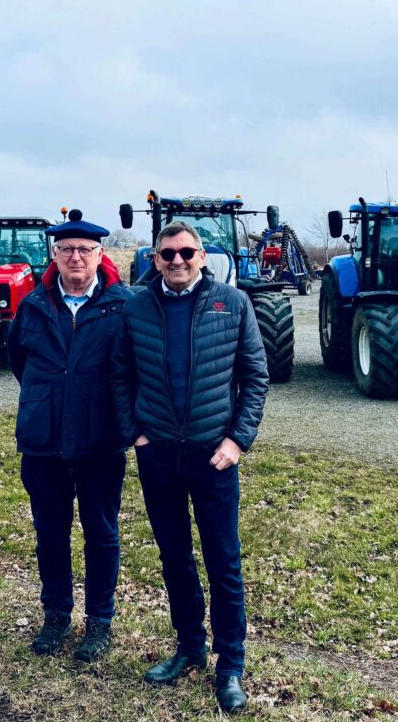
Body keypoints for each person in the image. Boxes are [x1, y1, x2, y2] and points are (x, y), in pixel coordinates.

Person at [111, 221, 269, 714]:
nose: (177, 260)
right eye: (167, 254)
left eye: (185, 252)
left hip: (213, 459)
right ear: (155, 259)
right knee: (175, 557)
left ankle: (230, 666)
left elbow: (255, 377)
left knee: (224, 563)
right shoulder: (136, 307)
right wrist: (135, 434)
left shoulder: (233, 304)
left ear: (201, 256)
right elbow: (120, 375)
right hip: (159, 456)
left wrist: (238, 441)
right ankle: (189, 648)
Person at [6, 209, 131, 662]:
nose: (76, 257)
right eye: (66, 250)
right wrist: (51, 398)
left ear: (99, 255)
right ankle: (56, 614)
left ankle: (99, 621)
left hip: (100, 442)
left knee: (102, 535)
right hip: (44, 443)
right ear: (54, 255)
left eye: (84, 249)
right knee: (51, 535)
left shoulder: (122, 306)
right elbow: (19, 361)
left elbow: (132, 369)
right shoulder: (33, 305)